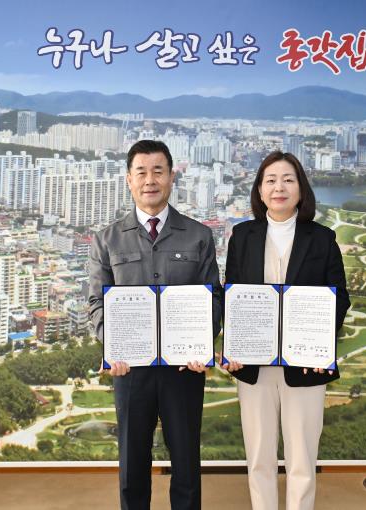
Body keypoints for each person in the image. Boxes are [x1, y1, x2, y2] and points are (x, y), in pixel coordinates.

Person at [88, 140, 223, 510]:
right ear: (129, 180)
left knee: (186, 463)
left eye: (158, 171)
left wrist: (201, 344)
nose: (150, 180)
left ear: (171, 177)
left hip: (184, 369)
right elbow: (97, 303)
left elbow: (213, 296)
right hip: (131, 370)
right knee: (132, 465)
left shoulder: (198, 235)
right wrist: (113, 346)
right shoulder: (107, 239)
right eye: (142, 172)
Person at [223, 151, 350, 510]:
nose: (279, 187)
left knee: (302, 461)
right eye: (271, 180)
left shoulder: (322, 238)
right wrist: (233, 348)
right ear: (259, 191)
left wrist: (320, 347)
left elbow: (339, 298)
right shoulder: (241, 236)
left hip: (305, 365)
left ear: (301, 189)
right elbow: (233, 296)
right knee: (259, 457)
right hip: (254, 366)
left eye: (288, 180)